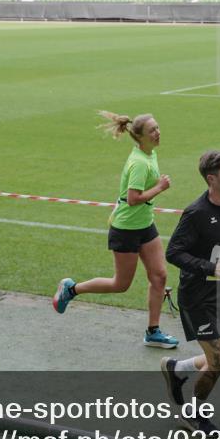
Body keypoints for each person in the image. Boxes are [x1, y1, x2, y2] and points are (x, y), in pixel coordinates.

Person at [53, 111, 178, 350]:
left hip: (145, 224)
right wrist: (160, 187)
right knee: (120, 284)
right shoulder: (140, 162)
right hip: (127, 229)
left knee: (159, 276)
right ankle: (71, 289)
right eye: (152, 130)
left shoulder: (149, 154)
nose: (157, 132)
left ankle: (153, 331)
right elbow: (133, 198)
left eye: (158, 127)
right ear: (140, 137)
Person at [160, 151, 220, 434]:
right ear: (212, 179)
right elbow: (173, 252)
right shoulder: (196, 213)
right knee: (219, 361)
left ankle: (178, 369)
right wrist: (211, 268)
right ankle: (192, 415)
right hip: (198, 297)